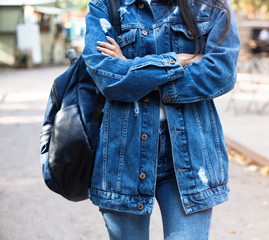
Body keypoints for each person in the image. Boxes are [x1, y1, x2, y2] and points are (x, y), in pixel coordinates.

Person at [82, 0, 240, 238]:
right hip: (123, 155)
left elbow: (220, 72)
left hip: (191, 153)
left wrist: (130, 66)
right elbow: (107, 76)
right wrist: (179, 60)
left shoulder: (210, 5)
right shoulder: (107, 5)